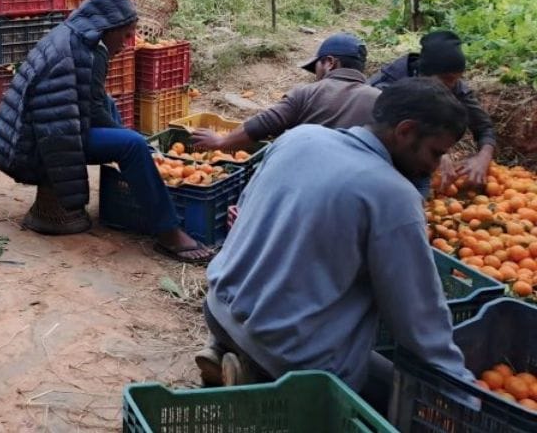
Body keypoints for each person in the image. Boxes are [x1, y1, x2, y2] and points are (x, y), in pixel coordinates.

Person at [197, 78, 473, 411]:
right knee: (403, 398)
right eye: (436, 152)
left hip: (219, 309)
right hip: (286, 354)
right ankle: (264, 383)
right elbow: (419, 323)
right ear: (405, 131)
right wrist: (469, 396)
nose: (434, 166)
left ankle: (238, 362)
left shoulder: (299, 137)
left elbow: (242, 212)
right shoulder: (394, 196)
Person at [0, 0, 213, 262]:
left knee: (113, 111)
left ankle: (135, 178)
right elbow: (64, 128)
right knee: (132, 145)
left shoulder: (75, 38)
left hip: (27, 135)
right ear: (108, 28)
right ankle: (168, 232)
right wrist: (131, 143)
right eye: (127, 34)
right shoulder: (82, 53)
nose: (130, 42)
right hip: (29, 147)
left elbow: (90, 102)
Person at [191, 33, 380, 152]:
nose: (316, 76)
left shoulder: (307, 93)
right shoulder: (381, 101)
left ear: (329, 62)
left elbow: (262, 125)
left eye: (316, 67)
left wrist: (221, 142)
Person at [370, 30, 496, 190]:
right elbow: (377, 133)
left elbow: (484, 127)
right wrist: (437, 154)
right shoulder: (384, 88)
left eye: (457, 79)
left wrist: (483, 158)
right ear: (425, 74)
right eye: (448, 79)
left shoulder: (454, 86)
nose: (452, 85)